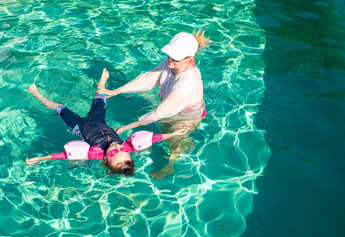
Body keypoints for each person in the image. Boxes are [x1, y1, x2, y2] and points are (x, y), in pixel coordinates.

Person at [26, 69, 187, 176]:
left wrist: (40, 159)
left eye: (113, 153)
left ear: (105, 160)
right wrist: (173, 133)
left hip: (78, 127)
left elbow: (63, 156)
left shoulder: (95, 153)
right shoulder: (127, 146)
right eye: (122, 150)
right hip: (98, 120)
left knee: (59, 108)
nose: (117, 148)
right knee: (101, 96)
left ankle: (37, 95)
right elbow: (153, 139)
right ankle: (101, 83)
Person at [97, 31, 211, 179]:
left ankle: (170, 166)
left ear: (188, 59)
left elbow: (159, 113)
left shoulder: (187, 84)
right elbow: (148, 79)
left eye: (175, 57)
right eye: (169, 54)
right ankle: (184, 144)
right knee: (162, 128)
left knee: (174, 141)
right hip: (170, 106)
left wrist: (127, 126)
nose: (170, 60)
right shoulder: (171, 64)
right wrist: (117, 91)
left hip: (186, 117)